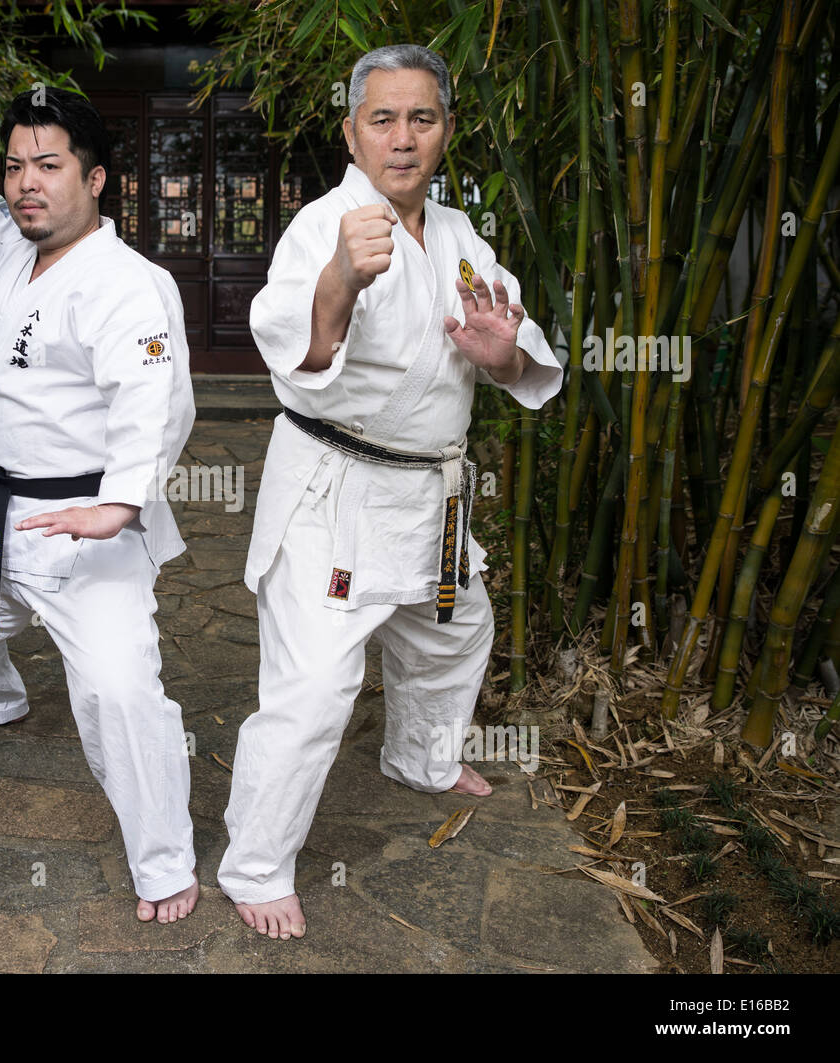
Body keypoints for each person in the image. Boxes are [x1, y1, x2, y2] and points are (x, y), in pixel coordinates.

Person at [217, 44, 564, 940]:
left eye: (422, 118)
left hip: (431, 496)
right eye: (383, 119)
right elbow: (295, 350)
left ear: (446, 130)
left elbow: (514, 347)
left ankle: (421, 755)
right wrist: (341, 279)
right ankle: (256, 863)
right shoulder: (325, 227)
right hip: (337, 494)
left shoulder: (457, 236)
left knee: (455, 630)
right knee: (316, 688)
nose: (402, 139)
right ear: (351, 131)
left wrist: (505, 356)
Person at [0, 88, 199, 924]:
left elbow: (157, 400)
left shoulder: (129, 284)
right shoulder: (11, 248)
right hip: (4, 508)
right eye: (16, 165)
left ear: (95, 178)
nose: (27, 183)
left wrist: (123, 501)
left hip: (88, 520)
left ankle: (166, 862)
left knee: (116, 692)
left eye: (50, 165)